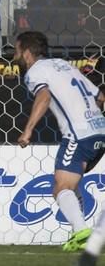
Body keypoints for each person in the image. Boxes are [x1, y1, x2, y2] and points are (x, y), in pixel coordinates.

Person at [15, 31, 105, 253]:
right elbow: (100, 97)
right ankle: (79, 232)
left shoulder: (36, 71)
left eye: (16, 51)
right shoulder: (64, 65)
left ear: (26, 53)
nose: (14, 56)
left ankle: (81, 232)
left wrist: (27, 131)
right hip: (100, 131)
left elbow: (43, 96)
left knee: (61, 186)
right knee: (70, 184)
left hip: (78, 134)